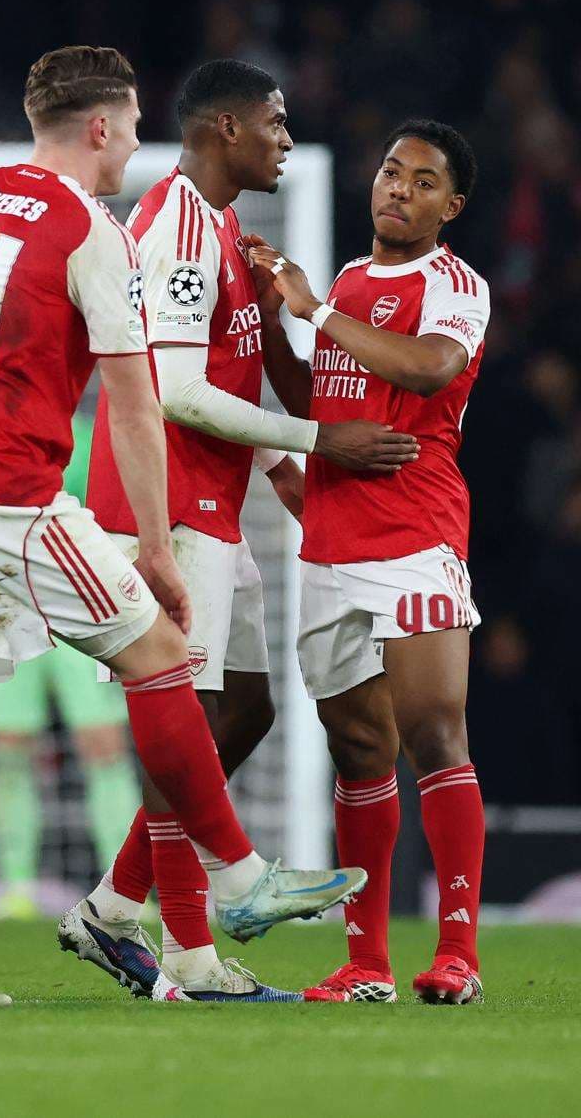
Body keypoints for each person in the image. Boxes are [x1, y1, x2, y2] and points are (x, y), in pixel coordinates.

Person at [0, 45, 363, 1008]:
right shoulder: (89, 230)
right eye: (133, 125)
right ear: (101, 127)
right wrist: (147, 542)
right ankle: (238, 878)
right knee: (163, 653)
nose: (138, 142)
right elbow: (140, 407)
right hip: (6, 494)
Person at [65, 59, 418, 995]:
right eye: (275, 121)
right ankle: (190, 952)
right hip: (170, 508)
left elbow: (216, 372)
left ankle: (111, 907)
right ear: (225, 128)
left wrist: (284, 471)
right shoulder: (178, 225)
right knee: (185, 718)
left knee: (245, 708)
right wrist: (319, 437)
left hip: (215, 504)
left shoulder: (221, 226)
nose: (288, 139)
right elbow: (177, 393)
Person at [248, 119, 490, 1006]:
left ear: (449, 206)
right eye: (392, 170)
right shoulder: (349, 280)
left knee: (435, 734)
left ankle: (457, 951)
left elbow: (430, 370)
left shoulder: (454, 283)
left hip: (416, 539)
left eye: (424, 181)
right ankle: (368, 964)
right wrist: (271, 314)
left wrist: (314, 310)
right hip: (331, 543)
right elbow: (321, 400)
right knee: (358, 755)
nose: (399, 188)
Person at [0, 412, 140, 921]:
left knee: (103, 743)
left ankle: (125, 889)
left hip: (78, 603)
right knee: (10, 748)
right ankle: (16, 887)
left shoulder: (87, 434)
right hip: (3, 605)